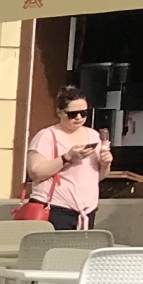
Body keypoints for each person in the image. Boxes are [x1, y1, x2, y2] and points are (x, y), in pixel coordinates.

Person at [24, 89, 112, 232]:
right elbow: (36, 173)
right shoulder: (47, 136)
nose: (78, 117)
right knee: (54, 252)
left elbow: (97, 176)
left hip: (86, 210)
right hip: (54, 207)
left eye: (83, 113)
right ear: (59, 112)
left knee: (79, 253)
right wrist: (67, 157)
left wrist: (105, 163)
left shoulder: (93, 135)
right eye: (72, 114)